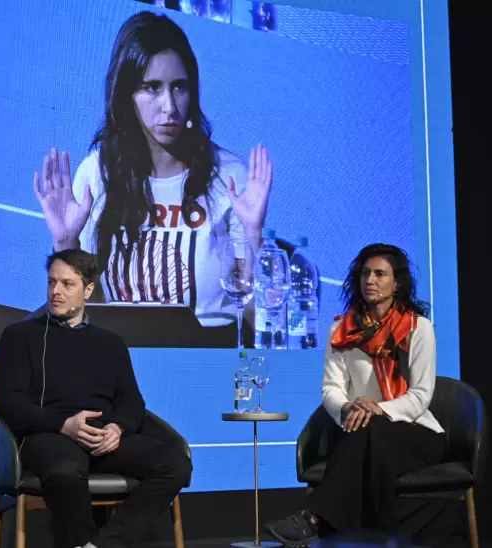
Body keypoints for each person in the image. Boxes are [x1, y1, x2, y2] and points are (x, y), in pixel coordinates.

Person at [32, 11, 273, 333]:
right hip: (119, 356)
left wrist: (254, 235)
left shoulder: (228, 176)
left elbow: (260, 323)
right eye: (151, 88)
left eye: (179, 88)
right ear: (126, 95)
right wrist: (65, 240)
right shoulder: (97, 173)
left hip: (206, 356)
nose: (169, 107)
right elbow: (75, 321)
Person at [0, 249, 192, 548]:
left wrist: (117, 429)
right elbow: (10, 403)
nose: (56, 291)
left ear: (87, 290)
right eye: (51, 282)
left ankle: (102, 545)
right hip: (49, 434)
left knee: (175, 464)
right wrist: (64, 424)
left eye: (66, 284)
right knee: (65, 471)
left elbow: (132, 402)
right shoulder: (19, 336)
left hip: (103, 438)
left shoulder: (110, 343)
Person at [264, 244, 446, 546]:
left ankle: (314, 518)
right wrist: (348, 407)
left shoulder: (418, 328)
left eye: (379, 274)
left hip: (417, 434)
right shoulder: (341, 329)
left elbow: (421, 396)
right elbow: (331, 389)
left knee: (370, 429)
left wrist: (376, 408)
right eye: (365, 273)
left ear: (397, 283)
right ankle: (373, 531)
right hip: (359, 430)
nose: (370, 280)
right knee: (368, 433)